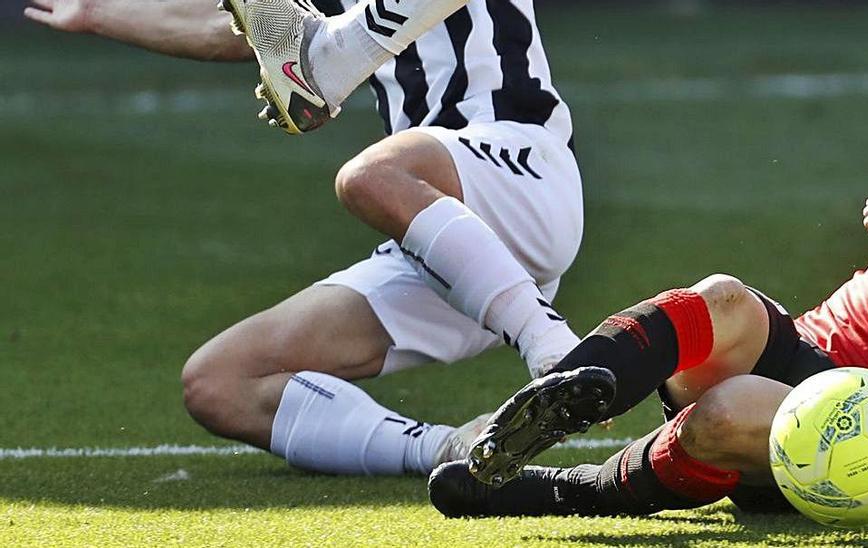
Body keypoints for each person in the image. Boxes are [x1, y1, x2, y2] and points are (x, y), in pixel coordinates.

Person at [428, 0, 868, 517]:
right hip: (815, 357)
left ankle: (581, 486)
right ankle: (535, 411)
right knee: (724, 300)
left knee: (730, 409)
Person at [24, 0, 585, 477]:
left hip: (520, 167)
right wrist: (99, 12)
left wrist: (343, 53)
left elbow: (325, 52)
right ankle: (452, 449)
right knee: (220, 383)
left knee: (370, 176)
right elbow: (252, 29)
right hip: (444, 233)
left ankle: (553, 350)